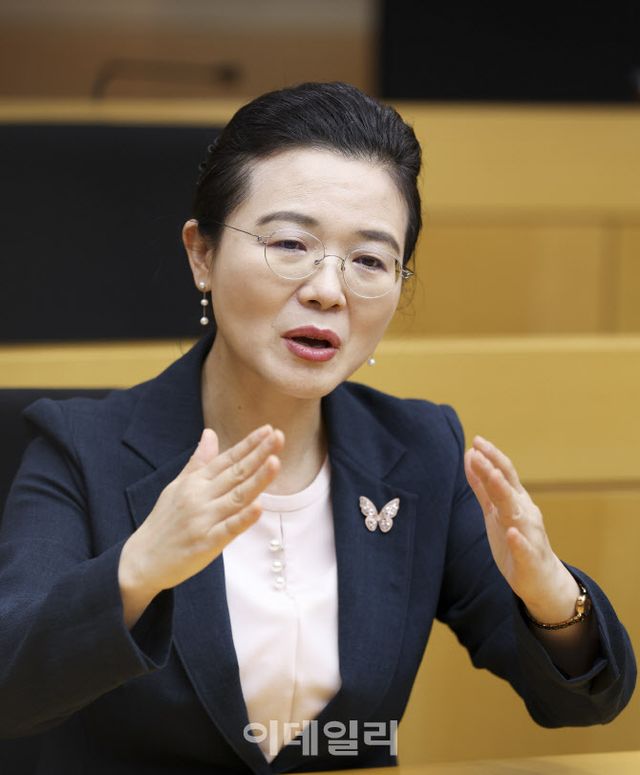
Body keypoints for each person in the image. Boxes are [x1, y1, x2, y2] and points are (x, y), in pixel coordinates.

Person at [0, 82, 635, 774]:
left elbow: (584, 700)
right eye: (290, 244)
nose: (328, 290)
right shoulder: (80, 449)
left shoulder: (419, 451)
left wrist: (550, 597)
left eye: (369, 260)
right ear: (202, 254)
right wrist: (136, 570)